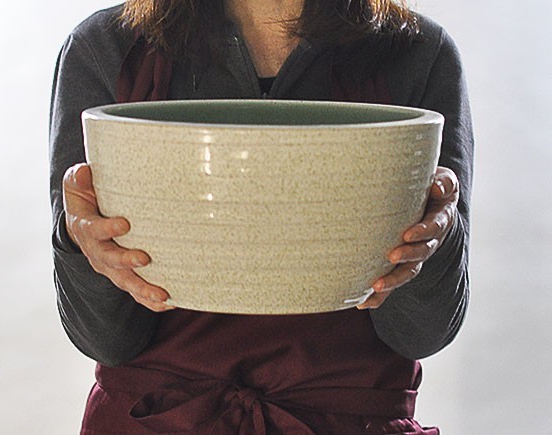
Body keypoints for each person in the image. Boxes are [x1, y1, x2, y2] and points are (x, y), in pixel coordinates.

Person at [49, 0, 473, 433]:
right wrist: (80, 242)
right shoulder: (106, 47)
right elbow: (105, 340)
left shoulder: (420, 52)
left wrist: (435, 239)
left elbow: (422, 333)